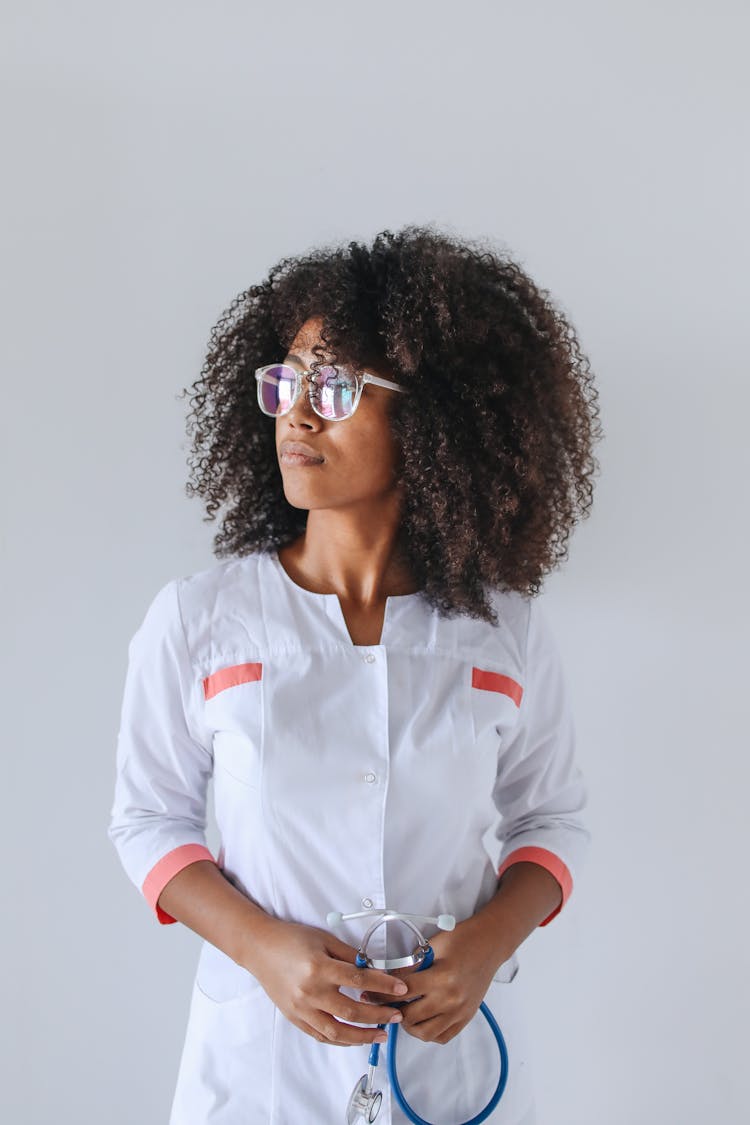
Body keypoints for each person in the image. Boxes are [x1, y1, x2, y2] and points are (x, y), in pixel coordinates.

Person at [108, 224, 602, 1124]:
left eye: (333, 384)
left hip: (448, 1061)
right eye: (286, 380)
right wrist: (262, 950)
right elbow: (148, 819)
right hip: (261, 1070)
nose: (296, 411)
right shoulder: (200, 617)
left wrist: (489, 942)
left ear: (432, 415)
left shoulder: (507, 631)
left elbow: (552, 819)